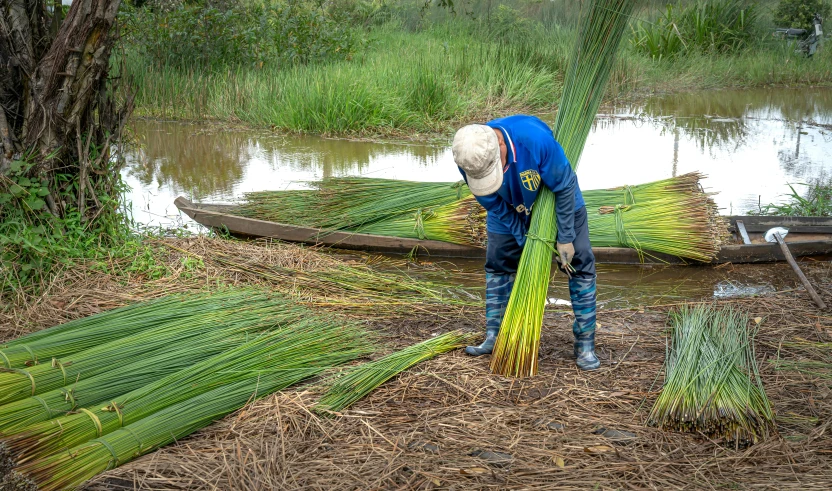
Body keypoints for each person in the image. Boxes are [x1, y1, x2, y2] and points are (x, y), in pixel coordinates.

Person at [452, 115, 599, 371]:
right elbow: (490, 201)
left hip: (559, 202)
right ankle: (494, 335)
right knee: (498, 264)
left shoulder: (534, 140)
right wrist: (522, 235)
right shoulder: (468, 155)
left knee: (580, 264)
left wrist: (565, 237)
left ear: (500, 144)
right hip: (507, 207)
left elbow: (564, 186)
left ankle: (585, 344)